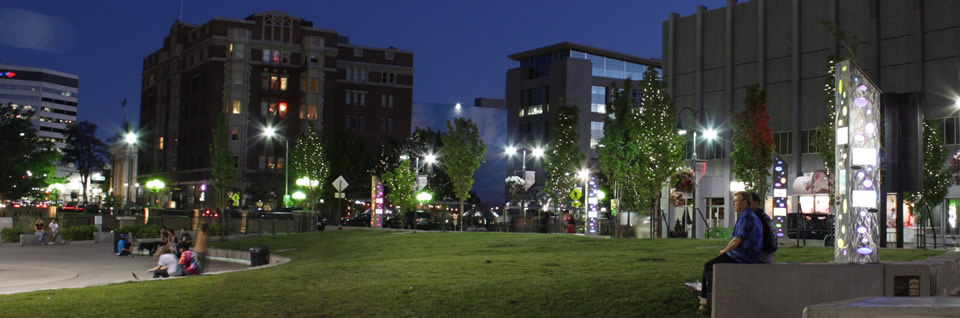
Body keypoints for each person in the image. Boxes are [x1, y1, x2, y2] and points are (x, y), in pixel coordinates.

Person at [697, 191, 763, 311]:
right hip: (747, 254)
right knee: (712, 264)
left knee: (709, 266)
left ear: (745, 202)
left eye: (736, 201)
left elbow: (737, 240)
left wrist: (724, 251)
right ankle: (707, 298)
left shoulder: (746, 217)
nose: (733, 204)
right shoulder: (749, 216)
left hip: (744, 256)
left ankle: (708, 300)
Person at [751, 192, 778, 264]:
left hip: (763, 254)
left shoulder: (756, 217)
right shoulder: (764, 216)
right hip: (769, 252)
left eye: (748, 202)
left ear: (755, 203)